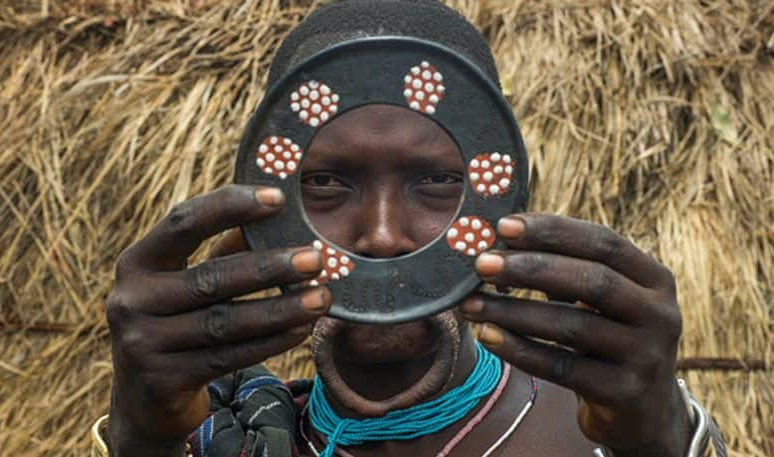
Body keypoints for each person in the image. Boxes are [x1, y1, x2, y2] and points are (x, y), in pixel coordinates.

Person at [94, 1, 724, 456]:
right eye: (326, 183)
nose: (383, 235)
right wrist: (141, 440)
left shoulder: (601, 434)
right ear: (266, 210)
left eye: (436, 182)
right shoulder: (219, 436)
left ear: (498, 200)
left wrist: (667, 443)